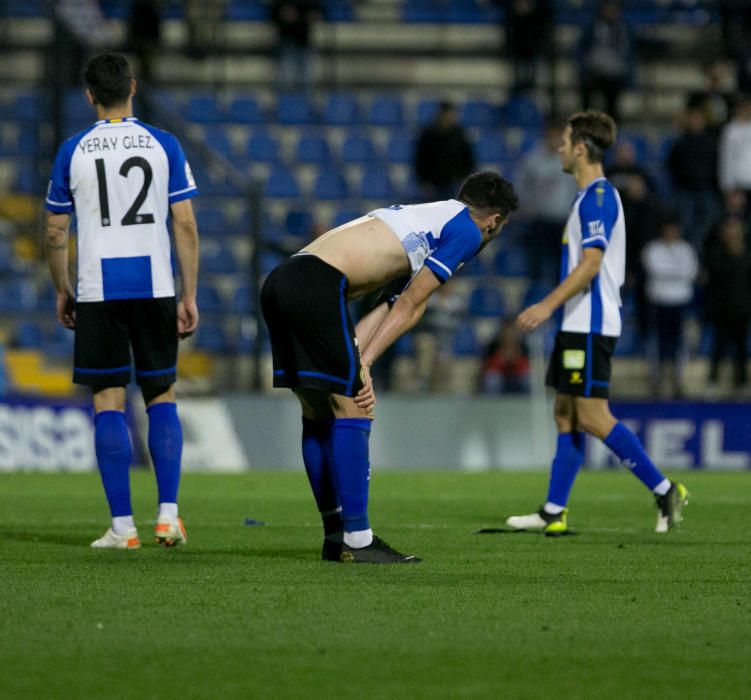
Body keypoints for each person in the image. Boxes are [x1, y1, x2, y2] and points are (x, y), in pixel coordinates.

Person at [261, 172, 519, 563]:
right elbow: (411, 304)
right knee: (356, 406)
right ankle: (359, 539)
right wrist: (362, 364)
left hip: (285, 280)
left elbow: (390, 305)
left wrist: (359, 357)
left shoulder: (420, 221)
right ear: (494, 220)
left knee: (317, 412)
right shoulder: (466, 230)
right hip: (318, 284)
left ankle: (336, 537)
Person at [506, 110, 689, 535]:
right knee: (566, 413)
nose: (559, 147)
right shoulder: (587, 197)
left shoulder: (598, 198)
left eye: (565, 141)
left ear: (582, 148)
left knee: (590, 415)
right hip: (578, 323)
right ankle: (553, 511)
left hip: (589, 323)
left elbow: (591, 264)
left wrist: (547, 305)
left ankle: (665, 489)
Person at [44, 53, 200, 549]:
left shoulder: (73, 150)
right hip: (155, 285)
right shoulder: (164, 144)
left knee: (108, 400)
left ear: (89, 95)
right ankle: (168, 517)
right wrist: (189, 292)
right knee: (161, 395)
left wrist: (61, 288)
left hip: (97, 289)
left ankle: (122, 527)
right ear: (132, 87)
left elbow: (53, 231)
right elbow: (186, 224)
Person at [641, 217, 698, 398]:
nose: (672, 234)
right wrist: (676, 271)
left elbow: (690, 272)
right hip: (659, 302)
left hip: (680, 302)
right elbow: (655, 269)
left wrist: (670, 272)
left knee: (679, 343)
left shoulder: (686, 249)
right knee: (658, 342)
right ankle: (657, 379)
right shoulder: (653, 248)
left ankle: (677, 380)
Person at [515, 122, 578, 286]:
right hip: (540, 218)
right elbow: (521, 185)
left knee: (561, 264)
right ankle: (535, 293)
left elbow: (578, 186)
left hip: (562, 218)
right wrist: (526, 205)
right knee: (536, 262)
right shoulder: (532, 159)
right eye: (552, 136)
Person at [702, 215, 751, 396]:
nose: (732, 233)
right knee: (718, 347)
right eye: (729, 229)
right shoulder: (716, 254)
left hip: (742, 308)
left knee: (740, 348)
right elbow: (711, 280)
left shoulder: (747, 254)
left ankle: (742, 383)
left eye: (735, 229)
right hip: (720, 308)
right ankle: (713, 382)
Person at [667, 103, 720, 248]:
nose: (695, 122)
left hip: (707, 189)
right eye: (693, 119)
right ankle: (689, 258)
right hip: (686, 191)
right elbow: (672, 164)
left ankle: (702, 257)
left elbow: (717, 165)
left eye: (698, 119)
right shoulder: (681, 141)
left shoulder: (712, 142)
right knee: (686, 226)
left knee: (709, 226)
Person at [577, 0, 634, 122]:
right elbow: (582, 47)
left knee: (612, 105)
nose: (611, 12)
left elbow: (628, 52)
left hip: (614, 73)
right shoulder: (593, 26)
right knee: (587, 97)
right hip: (594, 71)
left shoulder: (623, 27)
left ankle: (611, 127)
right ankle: (586, 124)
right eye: (608, 8)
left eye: (614, 10)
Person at [414, 101, 475, 201]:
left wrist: (465, 179)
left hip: (454, 183)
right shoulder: (428, 135)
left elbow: (468, 158)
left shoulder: (460, 134)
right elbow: (421, 159)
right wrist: (423, 181)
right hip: (433, 184)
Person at [271, 0, 322, 92]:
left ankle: (304, 100)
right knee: (284, 74)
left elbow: (317, 13)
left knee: (305, 75)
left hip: (304, 40)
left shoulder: (307, 3)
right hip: (286, 40)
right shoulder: (280, 3)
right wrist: (284, 14)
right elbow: (273, 14)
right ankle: (284, 98)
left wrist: (307, 16)